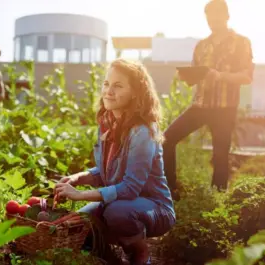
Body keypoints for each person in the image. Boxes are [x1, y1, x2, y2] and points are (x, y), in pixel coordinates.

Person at [55, 58, 176, 265]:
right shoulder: (107, 124)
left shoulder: (142, 132)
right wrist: (77, 178)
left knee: (117, 213)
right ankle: (111, 259)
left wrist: (80, 195)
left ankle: (139, 253)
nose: (109, 91)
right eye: (106, 84)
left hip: (154, 208)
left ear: (136, 93)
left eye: (118, 86)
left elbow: (130, 188)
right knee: (77, 224)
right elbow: (105, 171)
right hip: (119, 202)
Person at [162, 0, 254, 200]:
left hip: (225, 108)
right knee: (166, 139)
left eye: (217, 15)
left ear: (227, 16)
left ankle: (216, 201)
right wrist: (188, 76)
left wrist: (219, 76)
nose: (212, 20)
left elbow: (247, 76)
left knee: (220, 156)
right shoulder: (201, 46)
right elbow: (198, 74)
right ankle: (171, 191)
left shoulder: (241, 42)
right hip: (201, 105)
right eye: (209, 16)